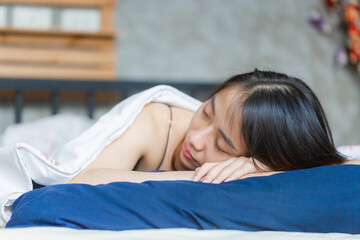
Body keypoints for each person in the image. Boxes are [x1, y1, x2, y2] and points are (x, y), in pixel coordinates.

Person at [68, 69, 348, 185]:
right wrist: (201, 177)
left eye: (222, 145)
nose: (197, 140)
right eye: (205, 112)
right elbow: (79, 181)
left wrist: (263, 169)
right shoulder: (154, 122)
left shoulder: (263, 164)